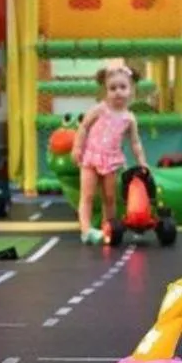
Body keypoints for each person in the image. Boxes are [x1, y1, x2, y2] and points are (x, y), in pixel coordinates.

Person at [72, 61, 147, 245]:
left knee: (110, 197)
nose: (118, 92)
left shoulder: (129, 118)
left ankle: (110, 228)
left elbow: (135, 143)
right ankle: (86, 229)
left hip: (111, 160)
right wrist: (77, 147)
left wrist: (142, 162)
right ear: (106, 90)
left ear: (131, 90)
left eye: (123, 87)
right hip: (91, 157)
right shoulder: (100, 109)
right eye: (112, 88)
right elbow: (83, 127)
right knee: (87, 195)